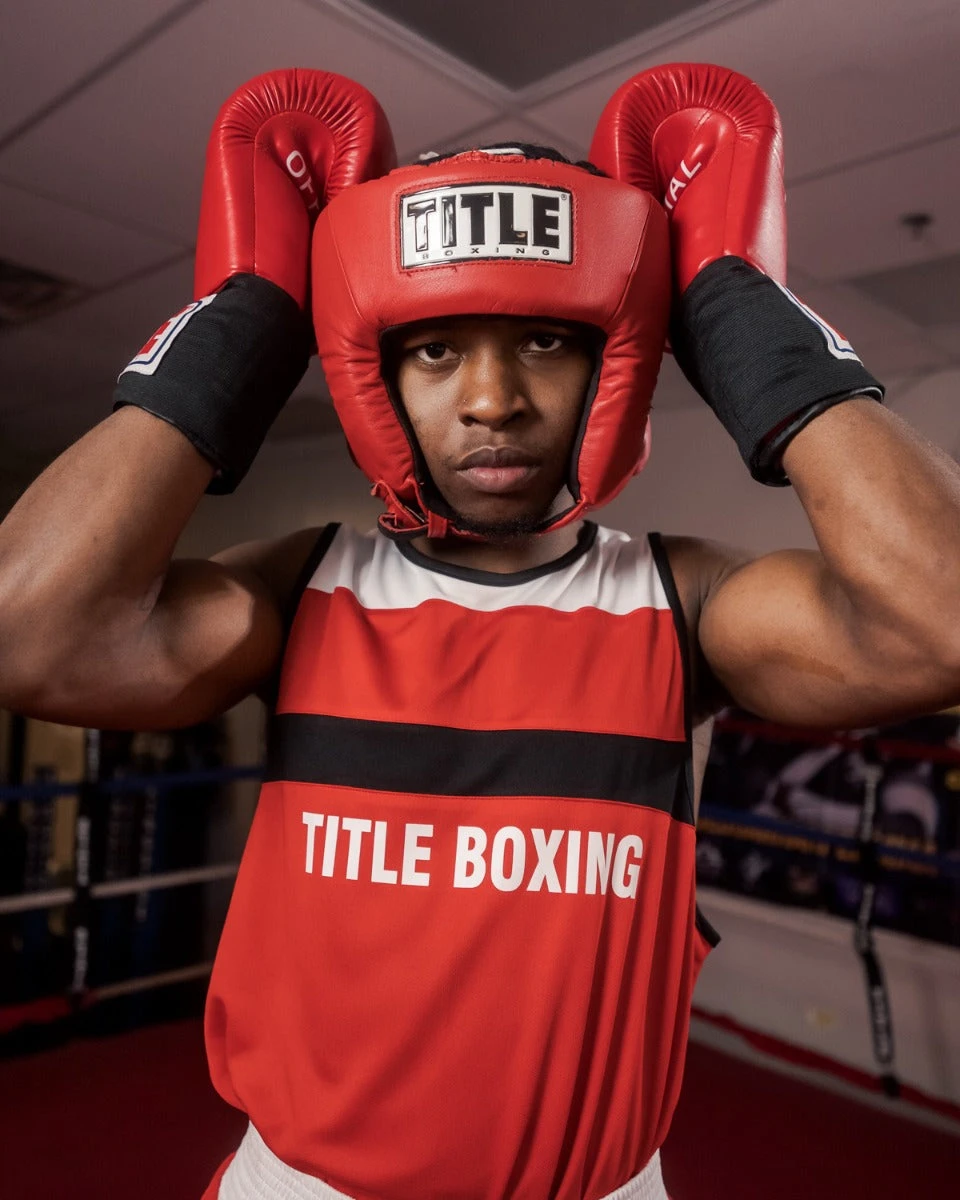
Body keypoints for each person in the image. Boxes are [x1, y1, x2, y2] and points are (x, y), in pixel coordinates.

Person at [1, 61, 960, 1200]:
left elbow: (937, 624)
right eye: (435, 348)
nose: (494, 399)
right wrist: (251, 312)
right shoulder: (306, 589)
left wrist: (730, 301)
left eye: (547, 343)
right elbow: (29, 635)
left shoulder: (680, 604)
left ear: (618, 361)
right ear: (372, 373)